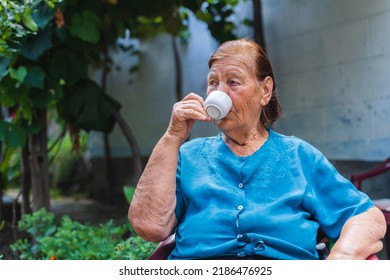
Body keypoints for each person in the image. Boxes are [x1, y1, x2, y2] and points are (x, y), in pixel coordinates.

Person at [128, 38, 386, 260]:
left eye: (233, 82)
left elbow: (365, 217)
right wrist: (173, 136)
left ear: (265, 90)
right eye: (213, 82)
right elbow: (149, 227)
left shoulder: (298, 156)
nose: (219, 92)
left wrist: (342, 257)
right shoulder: (188, 155)